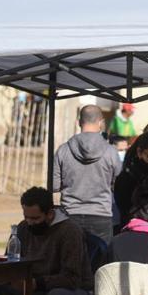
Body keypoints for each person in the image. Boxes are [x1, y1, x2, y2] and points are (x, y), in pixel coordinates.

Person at [53, 104, 122, 245]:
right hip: (101, 215)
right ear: (101, 122)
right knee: (99, 264)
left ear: (79, 122)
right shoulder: (111, 152)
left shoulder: (63, 150)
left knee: (70, 262)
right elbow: (119, 184)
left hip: (69, 215)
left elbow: (54, 185)